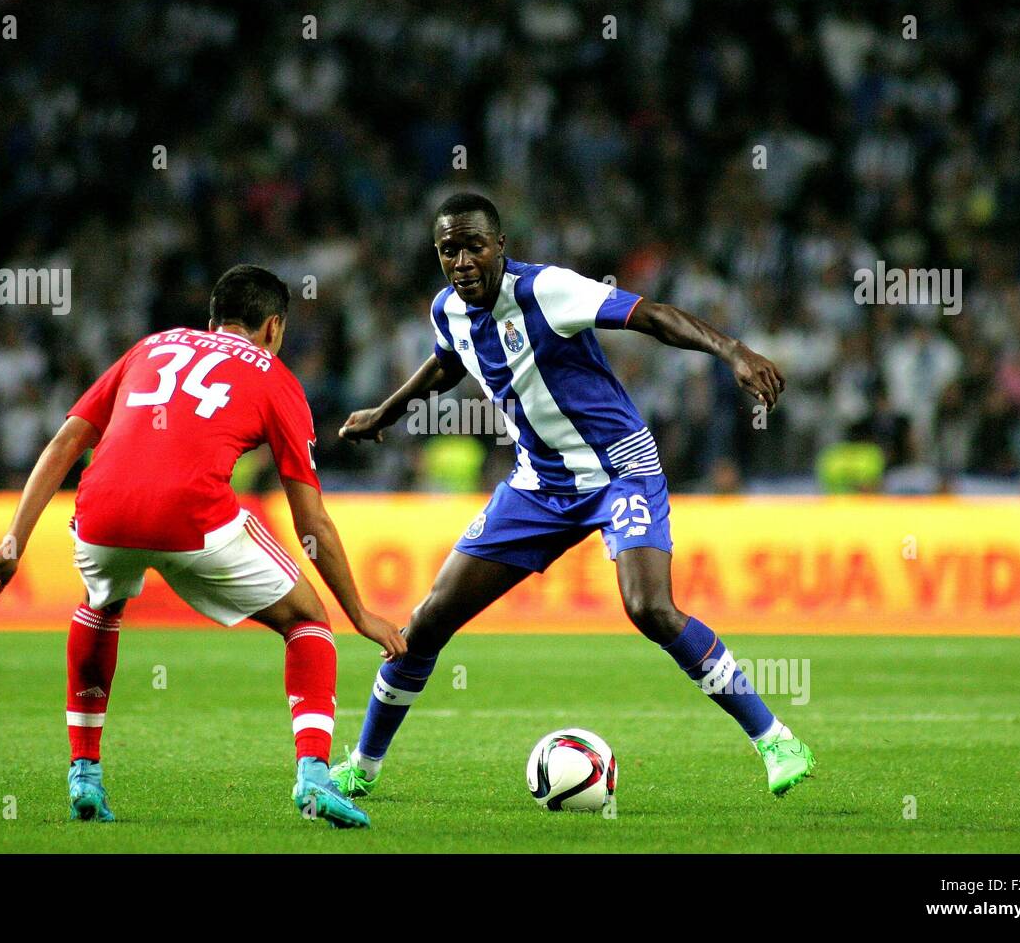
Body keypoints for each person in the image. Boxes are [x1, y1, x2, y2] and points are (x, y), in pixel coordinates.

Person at [332, 194, 815, 798]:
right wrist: (386, 411)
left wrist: (733, 352)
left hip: (620, 470)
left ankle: (774, 738)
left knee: (650, 608)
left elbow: (653, 316)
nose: (460, 261)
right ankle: (363, 765)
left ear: (500, 246)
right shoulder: (447, 310)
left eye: (473, 246)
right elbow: (445, 364)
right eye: (447, 250)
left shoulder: (548, 290)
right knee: (427, 621)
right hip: (539, 483)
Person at [0, 264, 406, 829]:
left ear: (212, 320)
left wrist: (13, 542)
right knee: (307, 620)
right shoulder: (274, 375)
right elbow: (311, 519)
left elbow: (67, 439)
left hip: (100, 511)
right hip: (190, 518)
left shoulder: (151, 345)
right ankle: (315, 776)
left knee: (102, 606)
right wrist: (360, 613)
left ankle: (85, 774)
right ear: (273, 327)